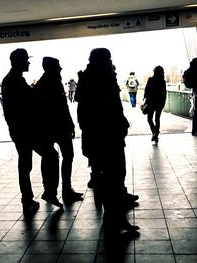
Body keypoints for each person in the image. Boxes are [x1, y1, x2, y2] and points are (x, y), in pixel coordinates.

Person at [75, 48, 139, 233]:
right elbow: (112, 108)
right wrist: (121, 125)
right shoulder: (104, 78)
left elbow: (84, 113)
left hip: (96, 137)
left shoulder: (87, 78)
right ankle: (115, 218)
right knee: (115, 176)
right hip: (109, 136)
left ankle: (112, 218)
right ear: (104, 60)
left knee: (107, 177)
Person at [2, 48, 62, 214]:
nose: (28, 63)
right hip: (27, 131)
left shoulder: (10, 80)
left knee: (26, 164)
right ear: (19, 61)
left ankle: (29, 198)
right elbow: (32, 100)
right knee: (49, 156)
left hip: (19, 131)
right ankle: (45, 192)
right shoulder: (16, 81)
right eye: (26, 60)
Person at [33, 57, 83, 204]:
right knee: (67, 156)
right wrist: (70, 124)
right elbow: (62, 107)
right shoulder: (54, 82)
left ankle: (51, 190)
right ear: (51, 68)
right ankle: (63, 189)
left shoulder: (42, 84)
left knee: (50, 158)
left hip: (49, 127)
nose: (60, 69)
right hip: (59, 126)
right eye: (58, 66)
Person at [143, 66, 167, 143]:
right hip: (160, 103)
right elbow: (164, 94)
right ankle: (156, 133)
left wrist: (145, 100)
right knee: (157, 119)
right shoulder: (163, 81)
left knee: (149, 119)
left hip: (151, 102)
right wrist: (163, 103)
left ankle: (154, 132)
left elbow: (147, 90)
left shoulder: (151, 79)